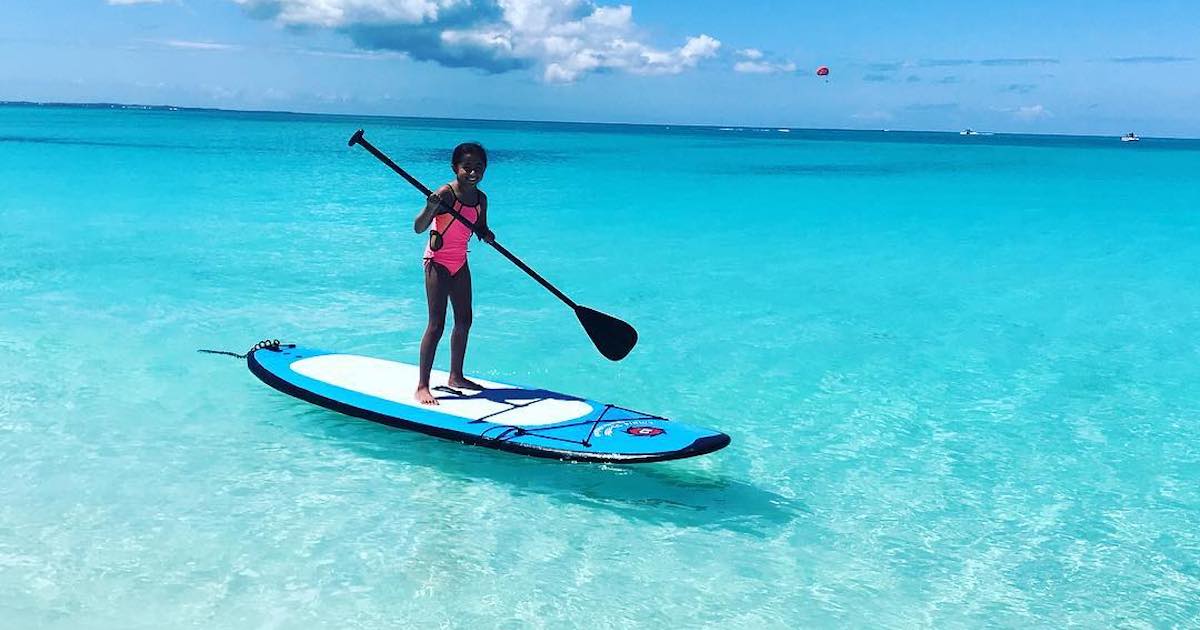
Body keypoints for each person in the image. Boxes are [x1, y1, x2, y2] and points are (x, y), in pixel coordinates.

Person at [412, 142, 494, 405]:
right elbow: (419, 227)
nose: (473, 172)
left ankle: (456, 376)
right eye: (466, 167)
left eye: (478, 167)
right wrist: (430, 207)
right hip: (437, 261)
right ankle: (422, 386)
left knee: (464, 320)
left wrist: (486, 234)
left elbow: (480, 227)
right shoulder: (445, 194)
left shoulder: (481, 199)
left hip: (460, 261)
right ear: (455, 168)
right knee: (436, 324)